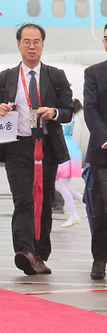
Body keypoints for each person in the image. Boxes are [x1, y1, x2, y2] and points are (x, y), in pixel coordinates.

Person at [0, 23, 73, 276]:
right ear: (18, 45)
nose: (31, 47)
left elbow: (68, 111)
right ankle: (25, 251)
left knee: (44, 201)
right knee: (24, 200)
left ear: (43, 44)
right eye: (26, 42)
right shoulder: (6, 77)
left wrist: (54, 113)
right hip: (17, 147)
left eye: (36, 42)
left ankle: (40, 255)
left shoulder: (55, 76)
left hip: (45, 147)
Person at [81, 25, 107, 280]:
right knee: (100, 211)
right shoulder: (94, 73)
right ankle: (99, 259)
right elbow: (90, 110)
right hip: (103, 155)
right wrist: (105, 140)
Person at [56, 99, 84, 227]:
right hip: (68, 150)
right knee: (60, 186)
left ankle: (74, 215)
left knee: (61, 186)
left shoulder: (66, 118)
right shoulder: (70, 117)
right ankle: (87, 201)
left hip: (67, 151)